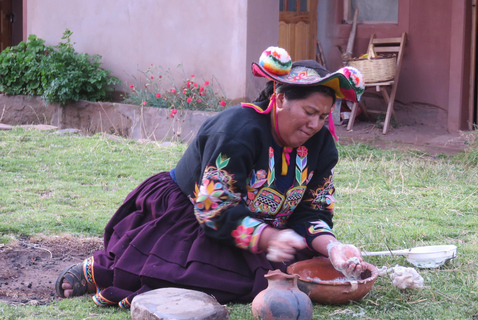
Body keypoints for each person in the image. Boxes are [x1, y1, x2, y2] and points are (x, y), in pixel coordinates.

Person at [55, 46, 367, 308]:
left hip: (263, 228)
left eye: (323, 116)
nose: (316, 124)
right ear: (280, 97)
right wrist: (270, 237)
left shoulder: (321, 146)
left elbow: (313, 210)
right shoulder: (237, 132)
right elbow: (213, 210)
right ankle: (100, 269)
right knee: (208, 279)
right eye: (309, 112)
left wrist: (331, 248)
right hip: (191, 214)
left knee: (287, 275)